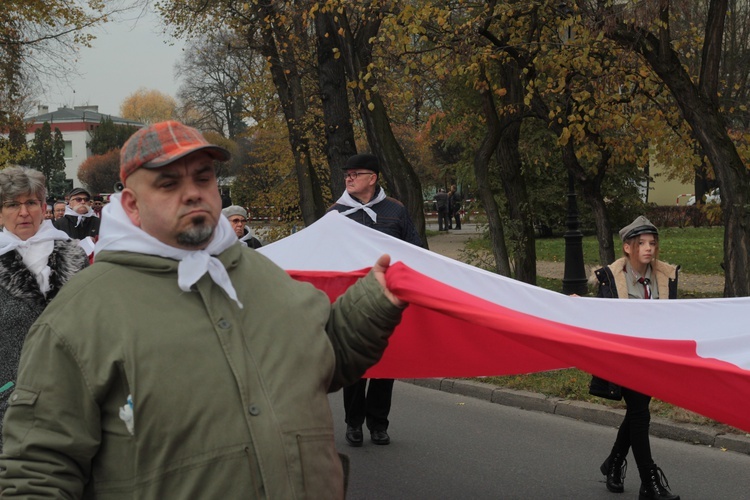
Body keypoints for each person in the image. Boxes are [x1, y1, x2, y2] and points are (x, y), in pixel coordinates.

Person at [0, 121, 406, 498]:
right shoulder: (81, 312)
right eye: (168, 182)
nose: (192, 191)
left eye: (203, 177)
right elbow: (39, 469)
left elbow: (324, 359)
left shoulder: (263, 275)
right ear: (132, 205)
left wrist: (373, 303)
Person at [328, 152, 422, 447]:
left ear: (373, 178)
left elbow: (416, 250)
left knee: (386, 364)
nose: (349, 178)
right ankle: (353, 423)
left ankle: (378, 424)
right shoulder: (335, 213)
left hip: (386, 299)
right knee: (354, 363)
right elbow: (322, 253)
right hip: (351, 301)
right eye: (347, 174)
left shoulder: (396, 211)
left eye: (356, 173)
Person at [0, 166, 88, 451]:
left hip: (74, 400)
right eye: (13, 204)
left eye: (31, 202)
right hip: (10, 404)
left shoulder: (74, 254)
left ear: (43, 207)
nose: (23, 212)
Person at [592, 215, 680, 500]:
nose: (649, 248)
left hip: (653, 357)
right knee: (640, 413)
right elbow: (599, 315)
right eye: (641, 243)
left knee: (636, 413)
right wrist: (578, 305)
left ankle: (614, 462)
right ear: (627, 248)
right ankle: (649, 480)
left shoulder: (665, 277)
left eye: (652, 243)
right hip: (624, 357)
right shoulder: (610, 278)